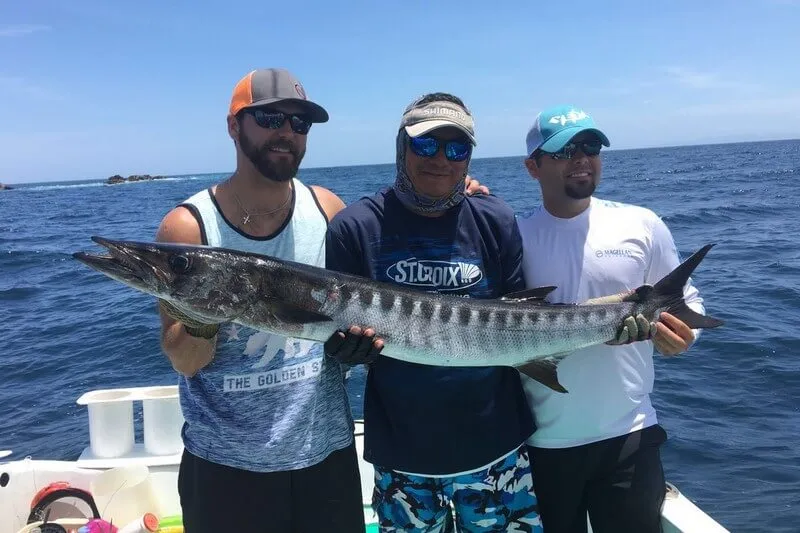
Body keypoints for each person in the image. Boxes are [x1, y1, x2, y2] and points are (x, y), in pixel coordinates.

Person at [154, 68, 365, 533]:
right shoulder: (188, 229)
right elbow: (187, 361)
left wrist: (459, 197)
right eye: (270, 118)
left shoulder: (329, 209)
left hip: (325, 456)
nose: (286, 133)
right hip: (226, 471)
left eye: (299, 123)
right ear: (234, 126)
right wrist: (203, 316)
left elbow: (371, 300)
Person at [325, 92, 543, 532]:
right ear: (401, 147)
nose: (440, 159)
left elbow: (524, 317)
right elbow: (334, 333)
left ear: (468, 158)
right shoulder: (354, 227)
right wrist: (343, 350)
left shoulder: (495, 217)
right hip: (402, 457)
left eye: (456, 148)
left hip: (497, 449)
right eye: (425, 145)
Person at [517, 105, 708, 533]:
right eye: (565, 150)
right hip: (540, 444)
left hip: (630, 436)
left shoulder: (642, 224)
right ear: (533, 167)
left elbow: (686, 304)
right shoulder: (513, 235)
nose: (582, 157)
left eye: (591, 146)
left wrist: (681, 339)